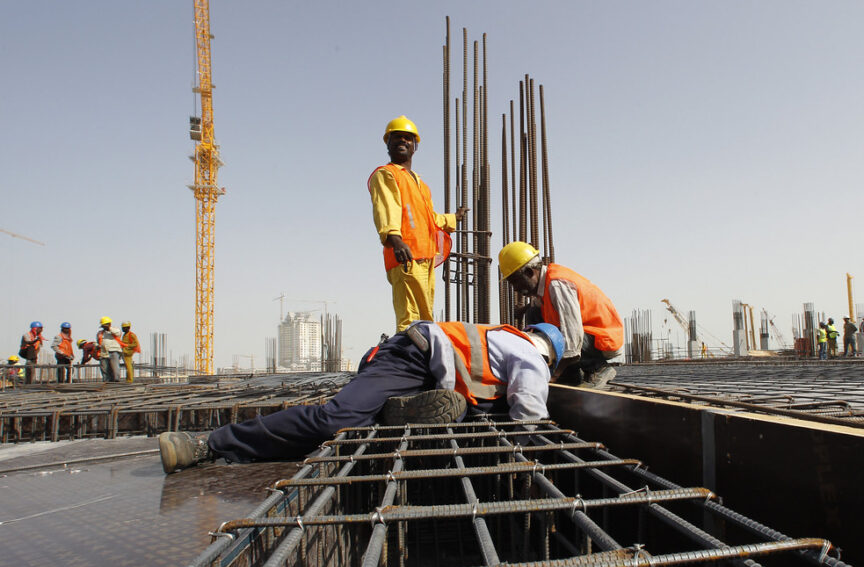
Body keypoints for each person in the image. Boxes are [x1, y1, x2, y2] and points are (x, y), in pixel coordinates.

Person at [158, 321, 563, 474]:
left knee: (360, 434)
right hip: (409, 359)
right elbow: (529, 408)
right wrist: (536, 456)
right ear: (551, 355)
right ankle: (210, 443)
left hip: (428, 379)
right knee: (337, 420)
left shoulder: (503, 349)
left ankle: (393, 415)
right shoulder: (529, 353)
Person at [368, 115, 467, 332]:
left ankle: (421, 363)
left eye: (407, 138)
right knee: (410, 322)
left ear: (415, 146)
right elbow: (386, 208)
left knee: (425, 321)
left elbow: (430, 219)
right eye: (397, 137)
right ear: (388, 143)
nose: (402, 141)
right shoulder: (387, 174)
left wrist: (453, 219)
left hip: (426, 258)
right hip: (406, 256)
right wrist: (395, 239)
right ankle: (407, 363)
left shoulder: (420, 184)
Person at [498, 241, 624, 387]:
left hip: (602, 338)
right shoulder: (545, 284)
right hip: (588, 335)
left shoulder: (557, 284)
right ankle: (571, 375)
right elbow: (539, 307)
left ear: (529, 272)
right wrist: (523, 310)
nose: (516, 288)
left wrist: (554, 375)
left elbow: (572, 335)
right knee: (534, 315)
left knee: (559, 337)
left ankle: (598, 368)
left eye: (516, 282)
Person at [97, 316, 124, 382]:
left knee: (115, 368)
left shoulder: (115, 330)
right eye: (103, 326)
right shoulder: (100, 333)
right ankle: (106, 381)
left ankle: (116, 380)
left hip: (113, 351)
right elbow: (98, 341)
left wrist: (109, 328)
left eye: (105, 325)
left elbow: (117, 333)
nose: (104, 327)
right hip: (103, 352)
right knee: (105, 368)